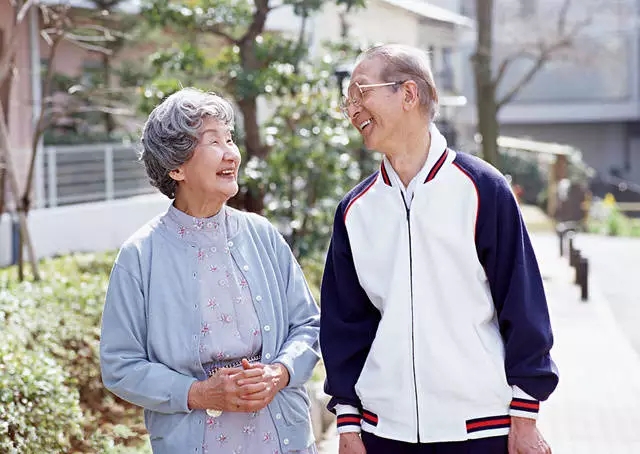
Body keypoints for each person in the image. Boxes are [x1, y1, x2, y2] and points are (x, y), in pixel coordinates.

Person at [320, 44, 559, 454]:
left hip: (479, 429)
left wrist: (525, 413)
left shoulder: (483, 189)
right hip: (384, 432)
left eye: (361, 93)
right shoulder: (355, 211)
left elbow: (522, 303)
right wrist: (348, 424)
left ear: (409, 94)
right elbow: (345, 324)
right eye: (348, 102)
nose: (353, 110)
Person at [100, 88, 320, 454]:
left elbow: (308, 324)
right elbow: (120, 365)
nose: (230, 153)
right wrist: (199, 393)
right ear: (176, 166)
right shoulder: (140, 255)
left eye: (230, 139)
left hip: (284, 437)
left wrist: (279, 373)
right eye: (213, 141)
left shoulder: (262, 234)